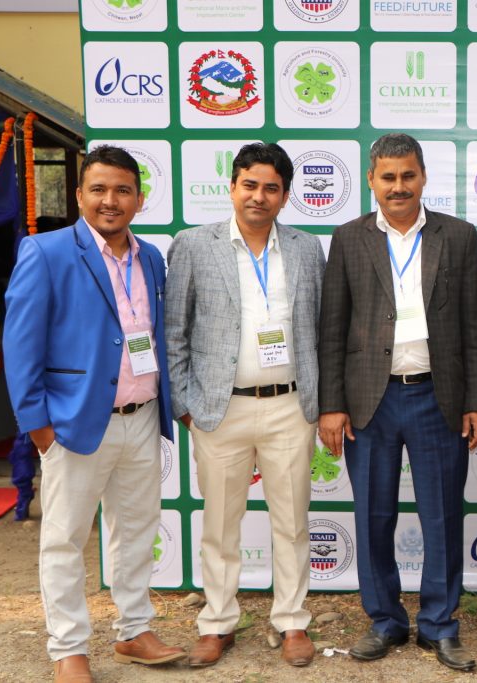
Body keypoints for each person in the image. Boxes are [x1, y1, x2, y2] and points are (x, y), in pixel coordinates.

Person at [3, 145, 184, 683]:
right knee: (64, 538)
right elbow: (21, 345)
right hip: (75, 423)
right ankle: (69, 649)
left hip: (142, 417)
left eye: (123, 190)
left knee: (135, 532)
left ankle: (133, 631)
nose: (111, 200)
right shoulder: (46, 251)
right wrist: (38, 426)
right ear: (80, 195)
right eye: (99, 189)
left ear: (139, 198)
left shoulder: (151, 257)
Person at [318, 132, 477, 672]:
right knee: (373, 514)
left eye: (407, 176)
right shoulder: (347, 238)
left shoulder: (458, 236)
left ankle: (439, 624)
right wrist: (331, 403)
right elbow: (332, 328)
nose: (398, 186)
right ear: (371, 180)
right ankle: (385, 620)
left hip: (438, 397)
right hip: (370, 400)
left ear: (423, 178)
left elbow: (473, 327)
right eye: (387, 177)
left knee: (441, 515)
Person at [164, 142, 324, 669]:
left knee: (292, 521)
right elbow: (175, 332)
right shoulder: (193, 245)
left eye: (271, 188)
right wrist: (186, 403)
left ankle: (292, 620)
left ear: (285, 195)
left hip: (288, 408)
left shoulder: (305, 249)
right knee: (220, 524)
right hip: (219, 410)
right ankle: (217, 621)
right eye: (250, 184)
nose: (259, 196)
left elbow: (321, 329)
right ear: (232, 186)